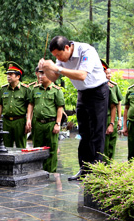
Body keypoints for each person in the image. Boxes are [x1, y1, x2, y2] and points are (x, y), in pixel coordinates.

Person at [38, 36, 109, 181]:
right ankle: (84, 169)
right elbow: (53, 78)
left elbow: (82, 75)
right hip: (82, 93)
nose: (58, 58)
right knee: (84, 133)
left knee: (97, 132)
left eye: (58, 55)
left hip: (98, 92)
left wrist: (56, 67)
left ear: (67, 47)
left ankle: (97, 171)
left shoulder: (86, 51)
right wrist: (45, 68)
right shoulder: (62, 59)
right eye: (55, 57)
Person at [26, 68, 65, 172]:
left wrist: (58, 123)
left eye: (43, 74)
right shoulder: (35, 89)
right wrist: (28, 119)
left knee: (52, 149)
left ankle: (51, 172)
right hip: (37, 123)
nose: (40, 76)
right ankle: (38, 171)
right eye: (39, 74)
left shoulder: (57, 90)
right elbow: (31, 104)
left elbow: (60, 108)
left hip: (51, 123)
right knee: (37, 148)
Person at [0, 62, 31, 149]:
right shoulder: (3, 89)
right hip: (6, 121)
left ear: (18, 76)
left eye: (11, 74)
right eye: (7, 74)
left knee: (20, 146)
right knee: (5, 147)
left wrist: (28, 120)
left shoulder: (25, 89)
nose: (8, 76)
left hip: (20, 121)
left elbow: (30, 105)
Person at [102, 60, 121, 162]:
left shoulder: (113, 86)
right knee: (103, 145)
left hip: (110, 117)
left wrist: (118, 119)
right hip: (102, 118)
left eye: (110, 73)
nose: (109, 75)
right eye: (106, 73)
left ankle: (109, 165)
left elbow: (117, 103)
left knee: (110, 144)